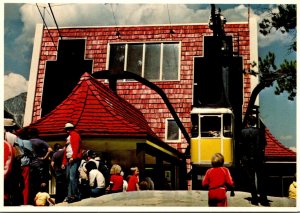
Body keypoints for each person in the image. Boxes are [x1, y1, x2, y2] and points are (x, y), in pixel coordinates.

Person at [240, 115, 269, 206]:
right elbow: (264, 144)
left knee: (251, 178)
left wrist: (242, 158)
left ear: (248, 122)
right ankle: (263, 198)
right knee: (261, 178)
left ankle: (254, 199)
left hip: (247, 159)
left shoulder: (243, 132)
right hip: (258, 158)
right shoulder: (260, 132)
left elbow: (241, 146)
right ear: (255, 122)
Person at [28, 127, 53, 205]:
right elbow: (50, 150)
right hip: (40, 163)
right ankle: (43, 201)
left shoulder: (27, 142)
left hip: (31, 164)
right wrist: (44, 157)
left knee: (33, 183)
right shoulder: (41, 142)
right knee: (42, 183)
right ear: (37, 134)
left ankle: (34, 200)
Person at [62, 122, 83, 203]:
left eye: (68, 129)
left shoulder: (75, 135)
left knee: (72, 177)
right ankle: (70, 195)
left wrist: (73, 157)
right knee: (68, 178)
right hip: (69, 158)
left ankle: (74, 195)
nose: (67, 130)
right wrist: (64, 162)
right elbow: (66, 151)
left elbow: (76, 147)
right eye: (66, 129)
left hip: (73, 159)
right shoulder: (69, 137)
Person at [15, 127, 35, 205]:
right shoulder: (28, 142)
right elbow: (32, 154)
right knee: (26, 184)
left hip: (16, 163)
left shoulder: (16, 140)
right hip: (25, 164)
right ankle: (25, 202)